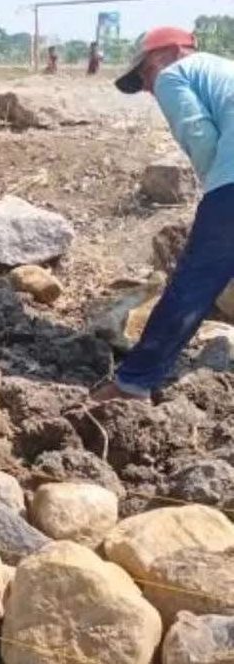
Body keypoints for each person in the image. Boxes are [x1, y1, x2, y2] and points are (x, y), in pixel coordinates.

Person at [92, 27, 234, 402]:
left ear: (165, 54)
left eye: (144, 77)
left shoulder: (174, 75)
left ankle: (132, 383)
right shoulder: (224, 70)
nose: (149, 89)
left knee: (193, 286)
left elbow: (198, 134)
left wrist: (215, 193)